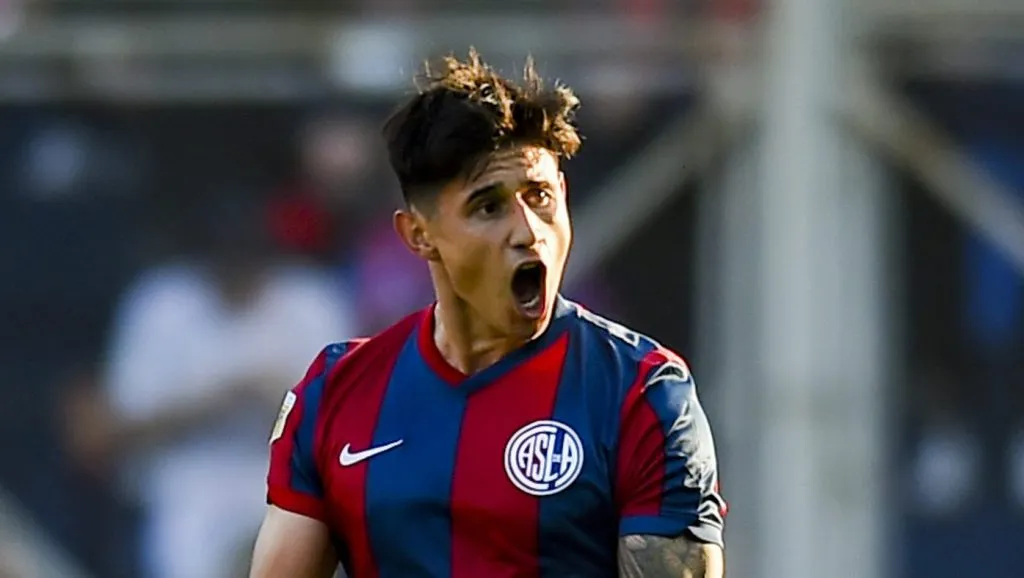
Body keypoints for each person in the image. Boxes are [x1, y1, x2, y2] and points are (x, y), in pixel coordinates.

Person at [249, 50, 726, 578]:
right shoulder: (335, 393)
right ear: (419, 235)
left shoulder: (639, 392)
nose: (529, 231)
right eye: (488, 207)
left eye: (540, 196)